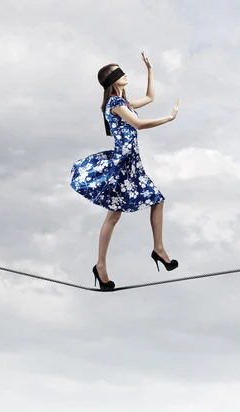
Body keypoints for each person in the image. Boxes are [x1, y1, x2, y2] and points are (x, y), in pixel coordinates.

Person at [70, 51, 180, 290]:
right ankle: (102, 266)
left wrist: (150, 70)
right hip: (122, 165)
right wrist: (168, 118)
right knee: (114, 215)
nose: (125, 74)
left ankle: (158, 250)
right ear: (112, 81)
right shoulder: (115, 103)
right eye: (118, 72)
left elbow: (150, 97)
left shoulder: (124, 103)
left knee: (155, 201)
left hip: (132, 164)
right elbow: (138, 124)